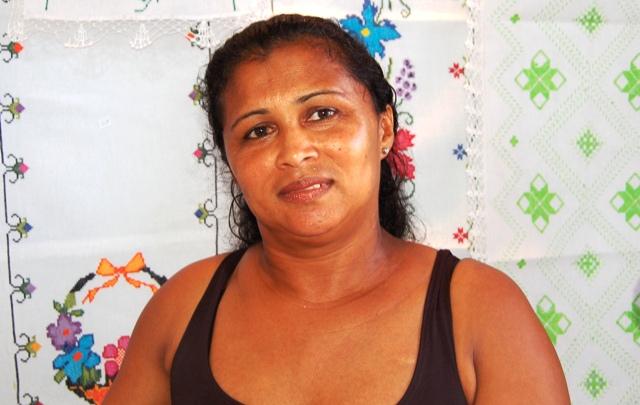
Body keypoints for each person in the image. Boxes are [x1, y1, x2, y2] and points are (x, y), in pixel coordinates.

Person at [104, 14, 570, 404]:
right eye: (258, 131)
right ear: (230, 162)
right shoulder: (182, 308)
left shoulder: (482, 309)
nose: (295, 151)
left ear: (384, 130)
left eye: (322, 114)